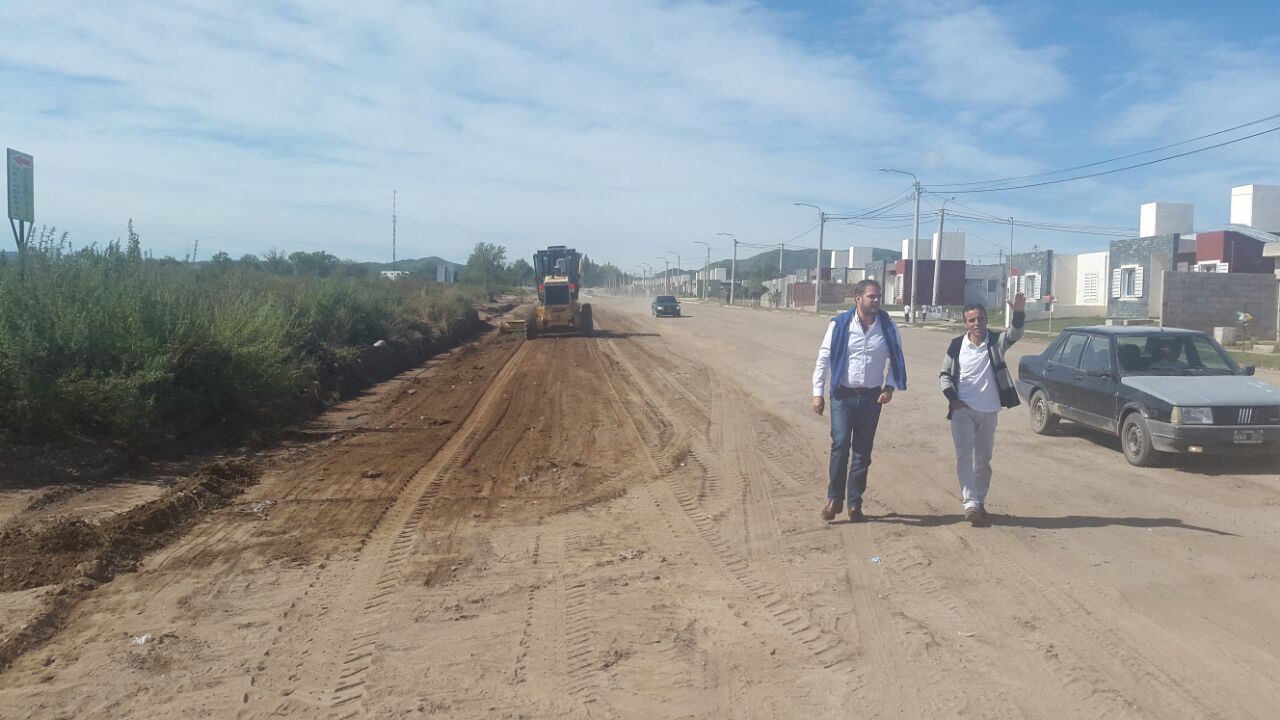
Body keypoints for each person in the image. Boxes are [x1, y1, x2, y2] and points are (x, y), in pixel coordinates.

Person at [812, 279, 908, 522]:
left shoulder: (887, 327)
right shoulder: (840, 325)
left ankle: (855, 504)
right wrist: (817, 392)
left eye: (877, 297)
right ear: (858, 298)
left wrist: (890, 388)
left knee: (862, 453)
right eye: (871, 297)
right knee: (840, 445)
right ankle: (834, 499)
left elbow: (896, 360)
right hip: (842, 395)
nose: (876, 301)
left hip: (871, 398)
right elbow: (824, 358)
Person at [939, 293, 1026, 527]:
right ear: (965, 323)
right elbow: (945, 375)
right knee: (964, 456)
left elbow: (1015, 334)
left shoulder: (996, 342)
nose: (976, 323)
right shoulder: (957, 345)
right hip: (962, 411)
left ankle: (980, 499)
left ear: (986, 320)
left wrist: (1018, 312)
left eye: (980, 319)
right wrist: (953, 399)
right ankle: (970, 504)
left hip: (989, 411)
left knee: (984, 460)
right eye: (971, 320)